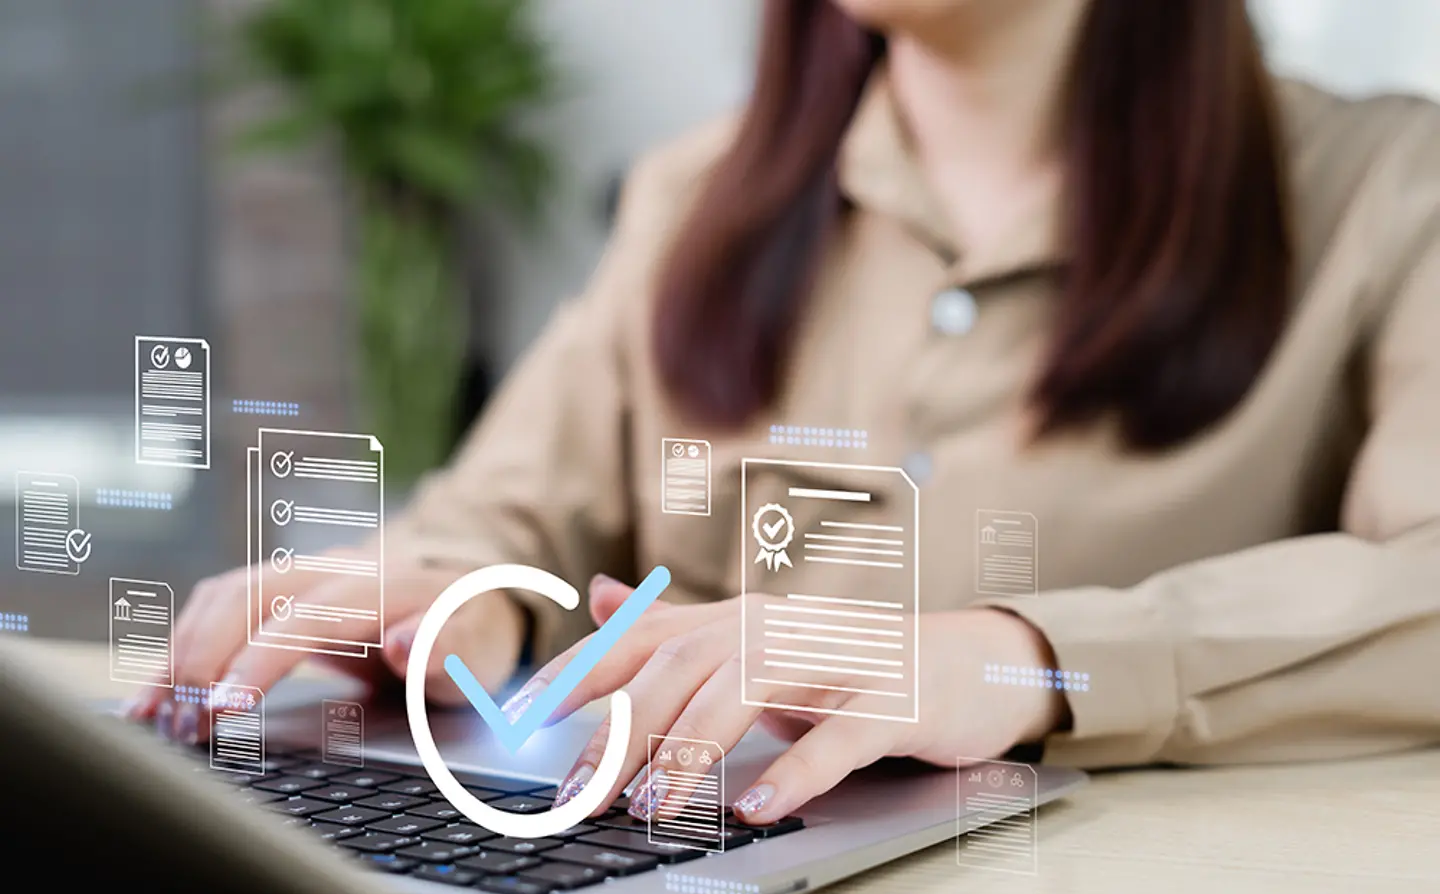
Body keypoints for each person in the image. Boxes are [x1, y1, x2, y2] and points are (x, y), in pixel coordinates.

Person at [133, 0, 1440, 825]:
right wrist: (442, 598)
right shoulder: (690, 201)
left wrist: (1017, 657)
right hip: (697, 878)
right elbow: (508, 512)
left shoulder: (1386, 190)